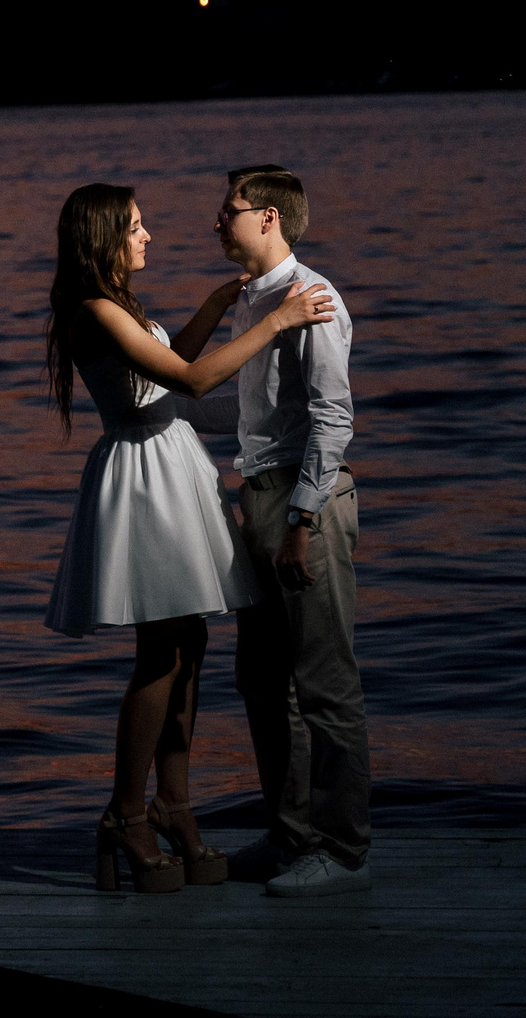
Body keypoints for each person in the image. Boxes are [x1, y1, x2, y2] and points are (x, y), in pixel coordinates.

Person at [43, 183, 338, 894]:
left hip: (170, 464)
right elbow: (193, 378)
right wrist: (276, 320)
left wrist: (212, 306)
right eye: (137, 227)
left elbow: (167, 370)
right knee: (159, 653)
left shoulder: (122, 309)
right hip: (144, 478)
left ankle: (174, 802)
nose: (148, 237)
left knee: (190, 645)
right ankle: (125, 810)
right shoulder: (96, 312)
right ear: (105, 236)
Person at [214, 165, 368, 897]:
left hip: (306, 505)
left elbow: (332, 419)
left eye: (230, 209)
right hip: (259, 499)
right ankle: (290, 832)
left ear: (268, 217)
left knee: (324, 683)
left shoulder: (315, 297)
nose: (219, 221)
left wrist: (302, 522)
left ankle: (339, 847)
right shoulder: (252, 300)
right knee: (263, 678)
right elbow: (252, 407)